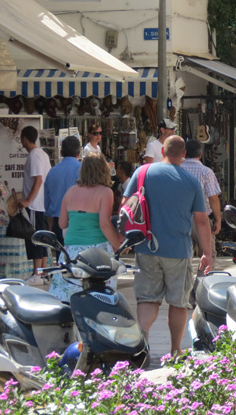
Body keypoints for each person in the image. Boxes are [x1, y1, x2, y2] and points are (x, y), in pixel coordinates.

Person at [123, 135, 212, 356]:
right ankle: (174, 349)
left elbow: (125, 205)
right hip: (178, 251)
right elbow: (201, 220)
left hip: (146, 247)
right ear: (183, 155)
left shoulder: (142, 172)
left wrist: (122, 240)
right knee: (178, 303)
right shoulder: (191, 181)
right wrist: (207, 253)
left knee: (147, 298)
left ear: (162, 150)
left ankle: (142, 341)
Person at [48, 153, 122, 301]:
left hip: (72, 252)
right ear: (103, 170)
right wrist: (118, 245)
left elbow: (62, 223)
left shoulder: (70, 192)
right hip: (97, 252)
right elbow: (104, 224)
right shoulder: (105, 192)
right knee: (100, 297)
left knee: (68, 297)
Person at [19, 126, 51, 286]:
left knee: (35, 239)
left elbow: (38, 180)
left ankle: (37, 273)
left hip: (36, 205)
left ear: (25, 138)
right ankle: (43, 273)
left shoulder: (34, 156)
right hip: (42, 204)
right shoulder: (43, 154)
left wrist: (27, 201)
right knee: (43, 238)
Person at [182, 139, 222, 257]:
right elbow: (213, 198)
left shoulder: (177, 169)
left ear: (184, 153)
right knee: (208, 254)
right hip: (202, 219)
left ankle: (185, 276)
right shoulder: (206, 172)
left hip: (181, 219)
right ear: (200, 155)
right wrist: (218, 220)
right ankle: (205, 276)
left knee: (183, 256)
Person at [44, 136, 81, 245]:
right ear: (78, 153)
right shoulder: (84, 171)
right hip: (80, 220)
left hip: (58, 221)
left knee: (62, 256)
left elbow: (47, 201)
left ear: (61, 152)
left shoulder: (52, 172)